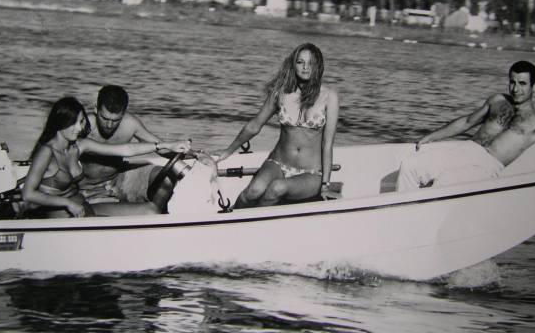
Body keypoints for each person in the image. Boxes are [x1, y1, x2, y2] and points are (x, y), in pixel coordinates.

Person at [395, 60, 535, 191]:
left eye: (522, 84)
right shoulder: (497, 100)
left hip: (487, 165)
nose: (516, 89)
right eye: (512, 82)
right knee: (410, 166)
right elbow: (467, 122)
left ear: (534, 86)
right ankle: (402, 220)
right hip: (466, 149)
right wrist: (431, 136)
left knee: (445, 183)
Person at [21, 96, 191, 218]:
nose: (80, 128)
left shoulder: (79, 145)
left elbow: (124, 149)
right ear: (60, 123)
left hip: (83, 207)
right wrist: (67, 204)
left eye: (81, 122)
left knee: (151, 211)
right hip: (63, 215)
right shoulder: (46, 151)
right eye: (74, 123)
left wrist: (165, 145)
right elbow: (28, 194)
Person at [215, 43, 339, 207]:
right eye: (300, 62)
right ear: (293, 64)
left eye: (311, 63)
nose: (305, 67)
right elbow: (254, 125)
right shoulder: (280, 93)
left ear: (318, 66)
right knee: (253, 191)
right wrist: (226, 153)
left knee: (276, 188)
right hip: (278, 163)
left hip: (311, 172)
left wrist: (325, 185)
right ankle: (230, 224)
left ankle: (252, 229)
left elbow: (327, 144)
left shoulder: (329, 97)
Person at [79, 85, 183, 214]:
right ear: (96, 109)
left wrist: (196, 154)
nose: (109, 125)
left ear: (124, 113)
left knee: (167, 178)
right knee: (151, 211)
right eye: (105, 118)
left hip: (118, 179)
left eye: (116, 120)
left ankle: (155, 220)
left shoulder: (130, 123)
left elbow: (161, 148)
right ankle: (146, 214)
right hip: (87, 192)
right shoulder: (82, 126)